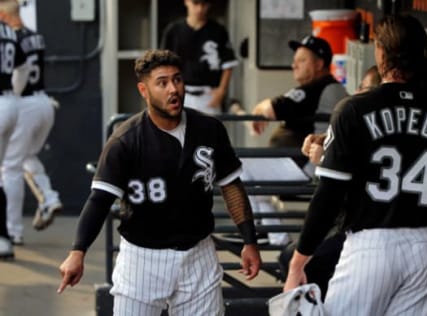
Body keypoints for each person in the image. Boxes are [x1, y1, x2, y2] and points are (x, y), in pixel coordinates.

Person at [284, 14, 427, 316]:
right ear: (422, 54)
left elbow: (328, 196)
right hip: (425, 246)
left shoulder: (353, 109)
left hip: (370, 245)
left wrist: (298, 262)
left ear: (380, 52)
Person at [58, 50, 262, 315]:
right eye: (162, 82)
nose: (173, 89)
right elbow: (99, 200)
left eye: (177, 80)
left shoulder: (209, 128)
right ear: (144, 90)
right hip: (143, 259)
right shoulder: (126, 141)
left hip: (197, 254)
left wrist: (249, 240)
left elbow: (231, 185)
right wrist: (78, 251)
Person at [278, 65, 381, 300]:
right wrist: (323, 141)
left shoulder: (363, 115)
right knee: (291, 258)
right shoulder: (361, 121)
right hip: (366, 229)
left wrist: (325, 159)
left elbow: (340, 189)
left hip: (367, 230)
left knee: (301, 263)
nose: (357, 92)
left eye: (363, 88)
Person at [247, 35, 347, 246]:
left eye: (302, 60)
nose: (294, 64)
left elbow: (273, 108)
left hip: (305, 163)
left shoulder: (323, 86)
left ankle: (265, 233)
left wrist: (261, 108)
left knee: (240, 168)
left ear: (319, 64)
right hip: (296, 160)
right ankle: (268, 233)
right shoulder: (316, 87)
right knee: (246, 171)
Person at [0, 0, 62, 246]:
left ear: (4, 14)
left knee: (11, 168)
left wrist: (13, 92)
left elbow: (20, 71)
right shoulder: (36, 36)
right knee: (25, 158)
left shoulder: (9, 36)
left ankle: (12, 230)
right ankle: (48, 196)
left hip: (23, 102)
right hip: (44, 102)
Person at [160, 0, 238, 115]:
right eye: (195, 3)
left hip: (209, 94)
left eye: (204, 4)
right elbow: (162, 65)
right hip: (180, 93)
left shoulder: (218, 31)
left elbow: (228, 63)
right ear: (187, 2)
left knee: (210, 131)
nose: (200, 9)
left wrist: (221, 91)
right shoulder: (173, 31)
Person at [0, 1, 26, 258]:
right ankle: (7, 234)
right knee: (7, 170)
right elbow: (23, 67)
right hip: (10, 102)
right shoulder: (9, 31)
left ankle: (4, 237)